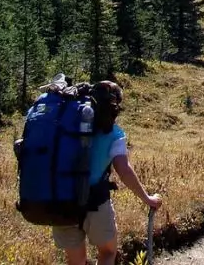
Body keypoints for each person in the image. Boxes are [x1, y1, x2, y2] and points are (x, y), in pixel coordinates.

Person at [52, 80, 163, 265]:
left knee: (76, 262)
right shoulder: (114, 134)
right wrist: (147, 199)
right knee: (108, 252)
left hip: (62, 200)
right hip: (96, 203)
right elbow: (124, 170)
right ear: (115, 106)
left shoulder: (67, 126)